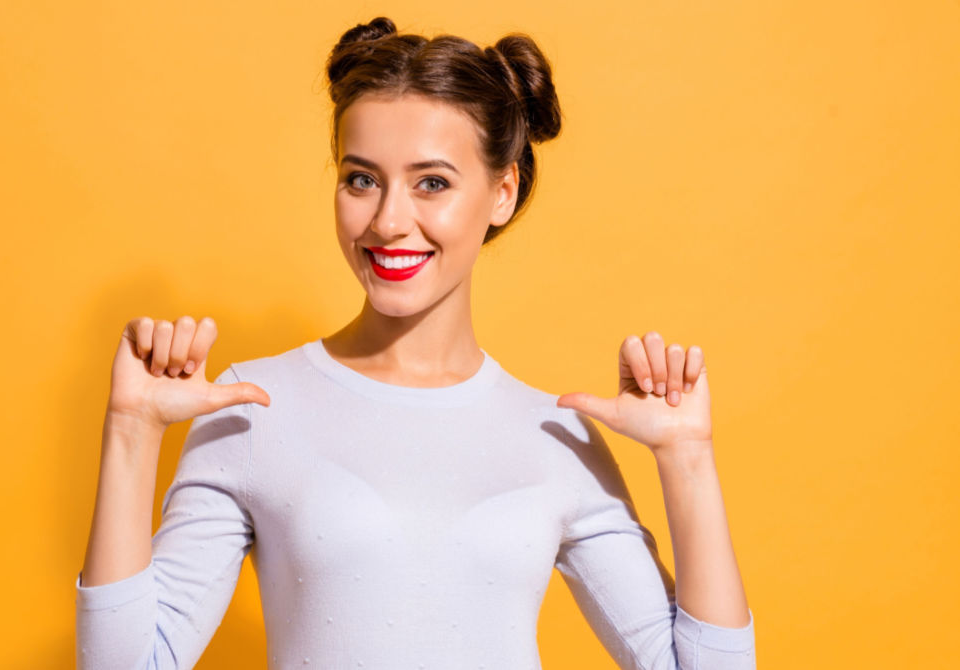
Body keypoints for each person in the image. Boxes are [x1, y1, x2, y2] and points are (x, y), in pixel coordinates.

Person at [75, 16, 755, 670]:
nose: (389, 220)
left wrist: (688, 459)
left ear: (503, 192)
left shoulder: (556, 436)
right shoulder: (251, 407)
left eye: (432, 182)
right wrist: (131, 432)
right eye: (361, 179)